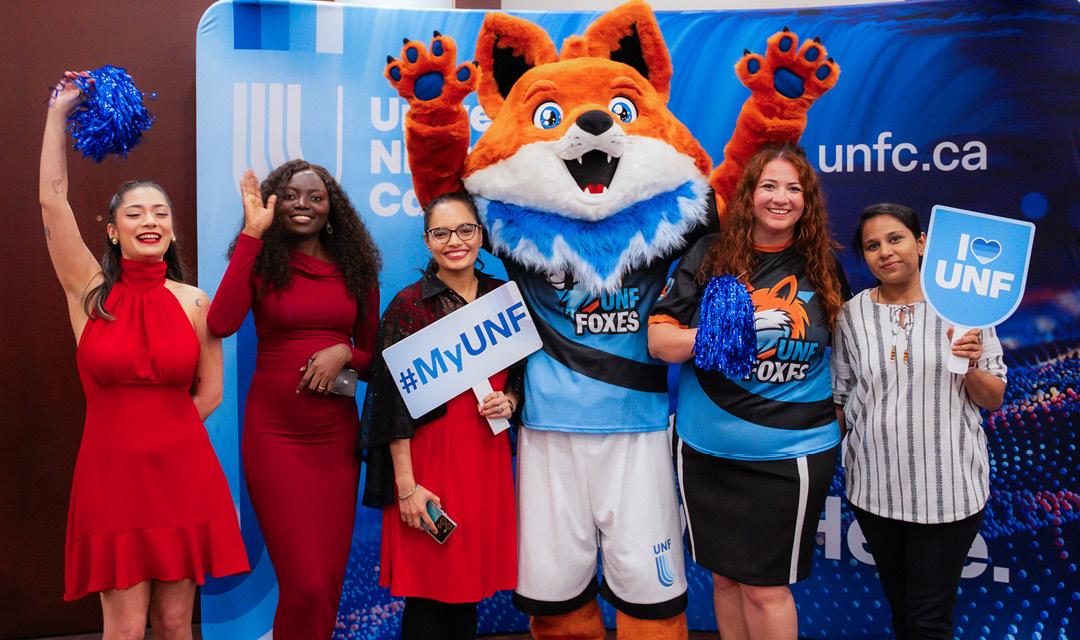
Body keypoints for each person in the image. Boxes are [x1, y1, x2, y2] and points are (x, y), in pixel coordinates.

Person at [40, 72, 249, 640]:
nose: (150, 221)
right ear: (111, 230)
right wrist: (59, 113)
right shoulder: (90, 293)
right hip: (111, 479)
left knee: (177, 623)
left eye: (160, 212)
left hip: (183, 474)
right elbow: (51, 201)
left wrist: (168, 433)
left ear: (173, 229)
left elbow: (210, 393)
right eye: (134, 213)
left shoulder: (194, 301)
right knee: (125, 628)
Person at [648, 143, 848, 640]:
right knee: (724, 580)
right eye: (769, 186)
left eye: (793, 188)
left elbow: (850, 348)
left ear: (807, 200)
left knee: (765, 588)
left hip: (790, 456)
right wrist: (724, 334)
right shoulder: (710, 254)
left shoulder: (820, 263)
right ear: (750, 194)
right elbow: (659, 341)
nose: (781, 198)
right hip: (706, 451)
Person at [207, 161, 381, 639]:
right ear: (273, 203)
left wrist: (344, 351)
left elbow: (375, 359)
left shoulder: (356, 268)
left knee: (324, 583)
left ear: (332, 208)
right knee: (303, 582)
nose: (302, 204)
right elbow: (220, 322)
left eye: (315, 196)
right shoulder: (261, 261)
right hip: (276, 438)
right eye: (290, 195)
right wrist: (251, 235)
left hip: (335, 441)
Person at [832, 203, 1007, 639]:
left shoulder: (966, 308)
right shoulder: (851, 315)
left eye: (896, 239)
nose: (885, 252)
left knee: (928, 619)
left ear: (922, 243)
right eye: (873, 246)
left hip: (947, 493)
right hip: (875, 491)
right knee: (902, 609)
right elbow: (842, 396)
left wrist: (969, 365)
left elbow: (995, 396)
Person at [359, 192, 519, 640]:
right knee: (428, 591)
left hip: (484, 459)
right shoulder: (409, 306)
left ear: (481, 236)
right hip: (429, 464)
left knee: (467, 588)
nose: (455, 241)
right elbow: (389, 404)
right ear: (427, 242)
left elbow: (521, 375)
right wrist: (406, 487)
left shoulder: (501, 298)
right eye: (441, 232)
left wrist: (510, 401)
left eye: (465, 229)